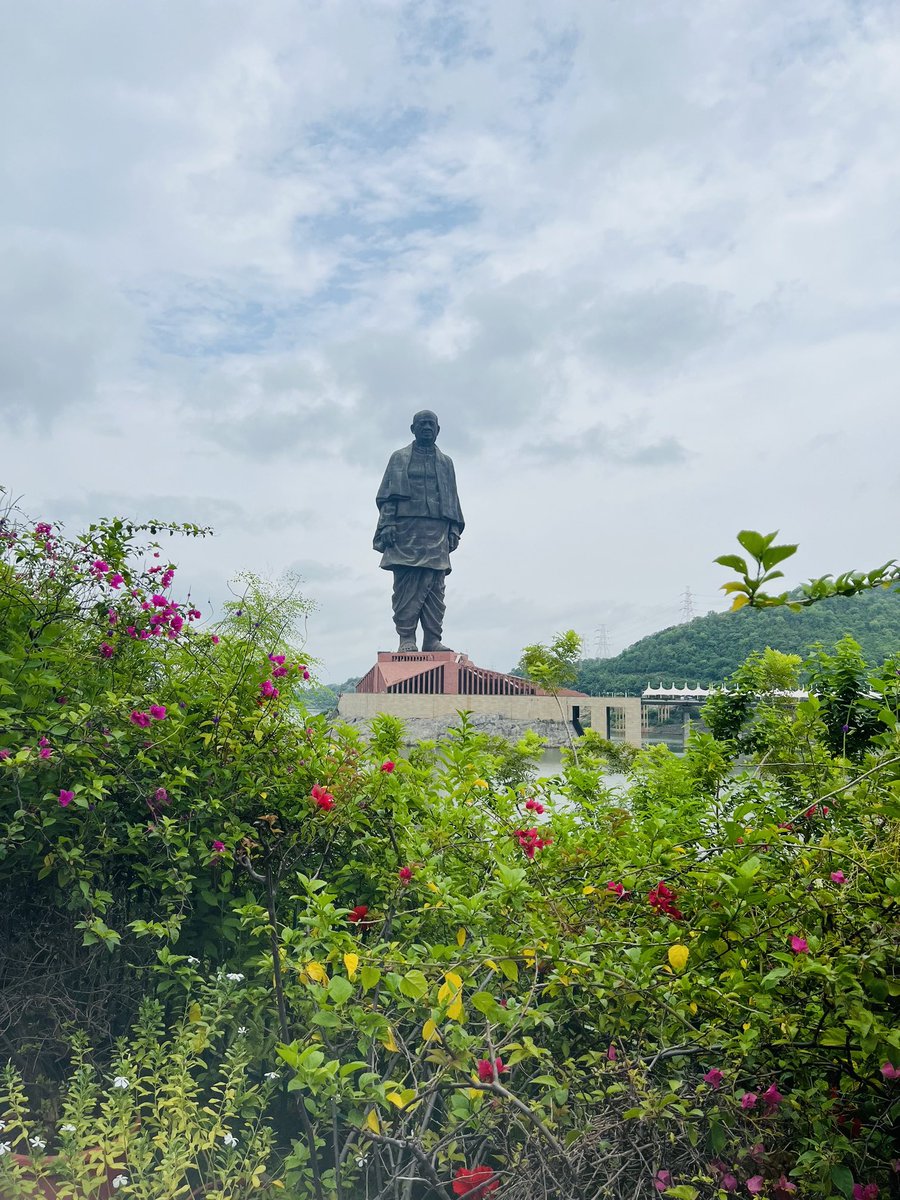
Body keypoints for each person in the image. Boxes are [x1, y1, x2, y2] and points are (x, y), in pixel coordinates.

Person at [373, 410, 464, 652]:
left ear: (438, 430)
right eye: (422, 424)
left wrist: (454, 530)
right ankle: (407, 638)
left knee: (436, 586)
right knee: (406, 585)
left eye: (431, 424)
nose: (427, 428)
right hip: (406, 530)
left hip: (437, 531)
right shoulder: (399, 458)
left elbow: (452, 499)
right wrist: (388, 524)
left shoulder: (446, 463)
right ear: (412, 429)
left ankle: (432, 639)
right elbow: (388, 496)